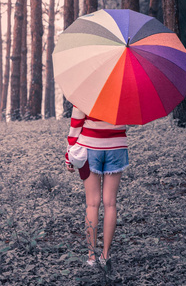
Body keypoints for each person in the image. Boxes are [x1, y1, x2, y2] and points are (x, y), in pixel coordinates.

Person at [65, 106, 129, 267]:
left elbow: (75, 126)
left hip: (90, 147)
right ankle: (105, 255)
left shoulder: (87, 90)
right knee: (110, 203)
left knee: (92, 204)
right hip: (117, 148)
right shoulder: (125, 92)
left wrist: (69, 155)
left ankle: (92, 257)